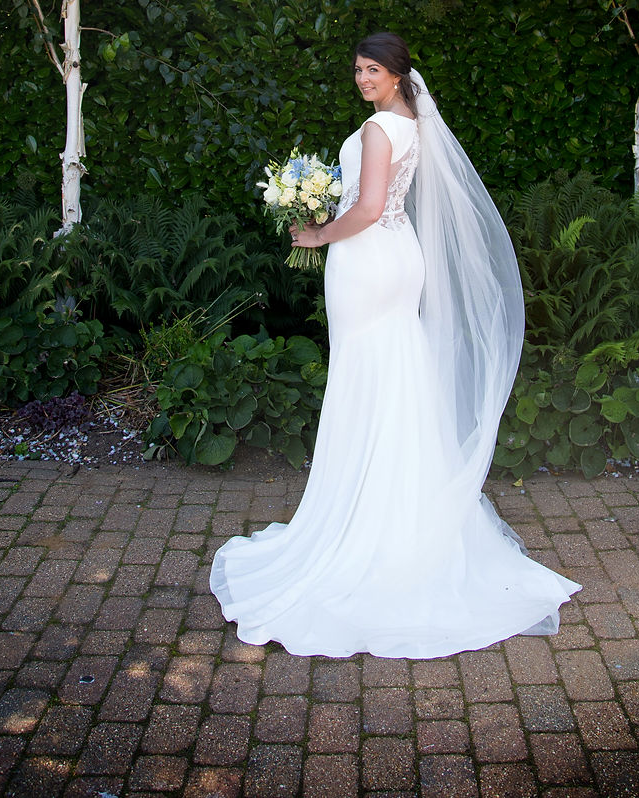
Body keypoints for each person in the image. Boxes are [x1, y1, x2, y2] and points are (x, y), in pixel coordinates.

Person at [209, 32, 581, 658]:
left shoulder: (380, 129)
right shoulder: (412, 123)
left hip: (368, 262)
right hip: (398, 257)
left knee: (365, 379)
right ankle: (400, 513)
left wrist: (317, 233)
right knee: (396, 377)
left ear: (397, 74)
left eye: (373, 70)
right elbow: (386, 202)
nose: (363, 79)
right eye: (358, 69)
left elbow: (370, 206)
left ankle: (368, 525)